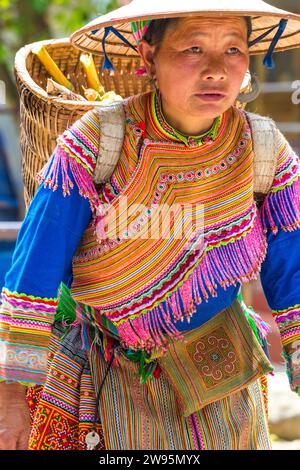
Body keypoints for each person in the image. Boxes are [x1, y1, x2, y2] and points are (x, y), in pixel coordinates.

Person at [1, 0, 300, 450]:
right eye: (193, 49)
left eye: (234, 50)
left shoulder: (261, 148)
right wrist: (10, 397)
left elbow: (291, 271)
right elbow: (32, 277)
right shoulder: (98, 141)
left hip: (223, 379)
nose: (217, 70)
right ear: (148, 58)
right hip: (109, 376)